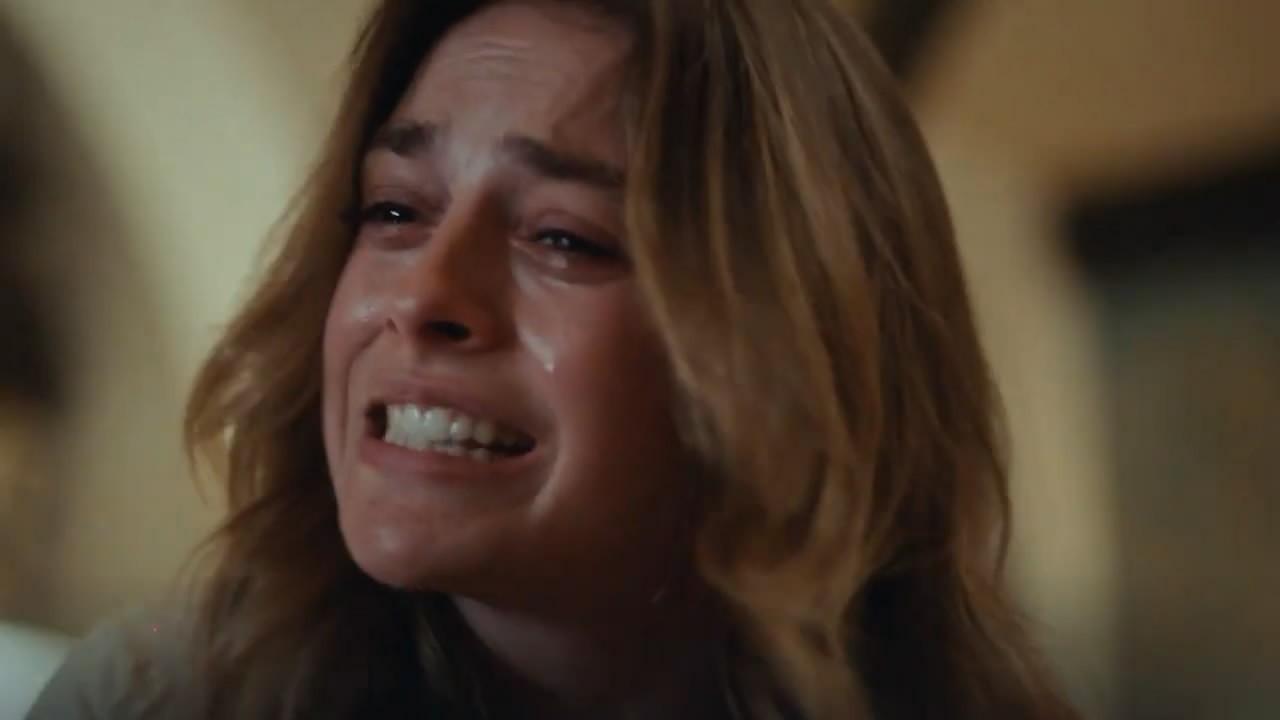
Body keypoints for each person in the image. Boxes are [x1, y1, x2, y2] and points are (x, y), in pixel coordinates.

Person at [27, 1, 1079, 718]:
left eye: (564, 238)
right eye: (394, 210)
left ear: (792, 347)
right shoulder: (152, 700)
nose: (423, 297)